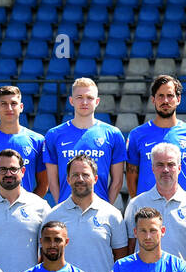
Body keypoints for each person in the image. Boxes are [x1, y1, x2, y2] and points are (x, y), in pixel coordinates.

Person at [43, 154, 130, 272]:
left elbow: (121, 262)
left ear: (95, 178)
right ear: (68, 179)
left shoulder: (113, 215)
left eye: (85, 174)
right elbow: (45, 262)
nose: (80, 179)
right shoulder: (53, 216)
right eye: (75, 175)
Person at [122, 142, 186, 272]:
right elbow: (129, 250)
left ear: (179, 168)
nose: (166, 170)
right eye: (160, 165)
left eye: (171, 164)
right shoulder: (136, 204)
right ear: (152, 168)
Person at [43, 77, 127, 206]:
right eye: (79, 97)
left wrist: (105, 207)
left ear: (97, 101)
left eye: (89, 98)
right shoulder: (54, 135)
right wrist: (62, 205)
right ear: (71, 101)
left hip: (99, 209)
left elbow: (118, 180)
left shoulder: (113, 134)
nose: (84, 102)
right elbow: (52, 181)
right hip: (67, 209)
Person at [125, 74, 186, 199]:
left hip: (182, 211)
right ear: (153, 99)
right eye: (160, 96)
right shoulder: (137, 135)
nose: (165, 101)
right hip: (148, 212)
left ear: (178, 99)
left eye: (170, 96)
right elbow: (131, 181)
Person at [0, 85, 47, 198]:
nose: (9, 108)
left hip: (24, 211)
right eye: (4, 104)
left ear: (21, 107)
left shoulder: (37, 141)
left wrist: (30, 204)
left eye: (13, 103)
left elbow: (44, 183)